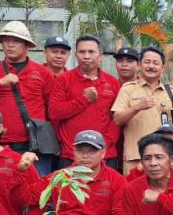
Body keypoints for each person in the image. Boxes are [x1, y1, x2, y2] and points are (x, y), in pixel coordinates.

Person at [0, 21, 55, 176]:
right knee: (1, 192)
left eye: (16, 41)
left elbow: (52, 109)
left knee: (37, 192)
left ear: (27, 44)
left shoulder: (43, 73)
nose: (10, 45)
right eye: (6, 40)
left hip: (34, 145)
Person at [48, 35, 121, 169]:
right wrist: (84, 100)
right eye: (82, 52)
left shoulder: (112, 83)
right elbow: (54, 112)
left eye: (91, 52)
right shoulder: (63, 80)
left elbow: (116, 119)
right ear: (76, 56)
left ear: (100, 55)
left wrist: (105, 143)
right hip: (71, 155)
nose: (86, 56)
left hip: (105, 154)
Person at [112, 46, 173, 174]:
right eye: (147, 62)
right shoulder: (128, 89)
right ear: (139, 66)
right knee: (133, 192)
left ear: (162, 68)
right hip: (136, 157)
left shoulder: (171, 92)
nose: (151, 66)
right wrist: (137, 107)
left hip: (164, 157)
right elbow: (117, 119)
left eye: (156, 63)